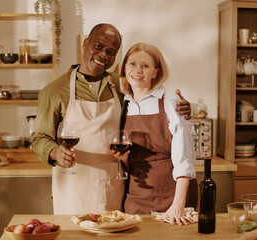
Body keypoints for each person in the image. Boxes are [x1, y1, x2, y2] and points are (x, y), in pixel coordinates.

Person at [31, 23, 191, 215]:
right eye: (98, 46)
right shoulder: (54, 91)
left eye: (111, 51)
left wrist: (183, 107)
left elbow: (151, 92)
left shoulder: (121, 85)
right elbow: (39, 137)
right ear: (85, 43)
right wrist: (55, 152)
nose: (103, 55)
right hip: (73, 183)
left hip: (114, 184)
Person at [111, 43, 197, 226]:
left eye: (145, 66)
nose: (138, 70)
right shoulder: (123, 104)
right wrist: (123, 158)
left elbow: (185, 158)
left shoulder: (171, 102)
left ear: (155, 72)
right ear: (125, 68)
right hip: (136, 195)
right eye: (132, 64)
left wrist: (178, 204)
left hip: (172, 194)